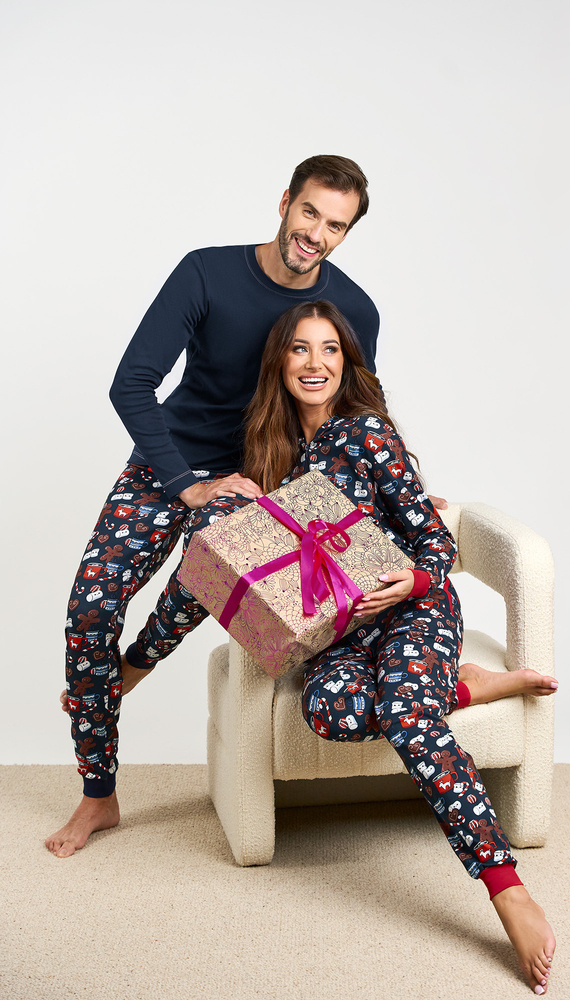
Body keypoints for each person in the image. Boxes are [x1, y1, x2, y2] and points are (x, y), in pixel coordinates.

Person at [46, 155, 384, 859]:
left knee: (210, 567)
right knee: (88, 612)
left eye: (335, 225)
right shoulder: (206, 271)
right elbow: (131, 383)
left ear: (346, 233)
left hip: (259, 479)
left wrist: (397, 486)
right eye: (310, 212)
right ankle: (98, 793)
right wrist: (184, 482)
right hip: (167, 462)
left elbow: (352, 411)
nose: (316, 234)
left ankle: (139, 661)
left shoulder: (353, 310)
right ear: (285, 202)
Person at [240, 300, 557, 995]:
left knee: (406, 710)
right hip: (338, 634)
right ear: (279, 363)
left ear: (346, 362)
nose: (315, 363)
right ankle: (465, 686)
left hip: (412, 607)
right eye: (299, 348)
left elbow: (435, 544)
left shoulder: (366, 433)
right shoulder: (268, 460)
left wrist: (409, 579)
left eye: (330, 349)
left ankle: (505, 887)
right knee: (330, 712)